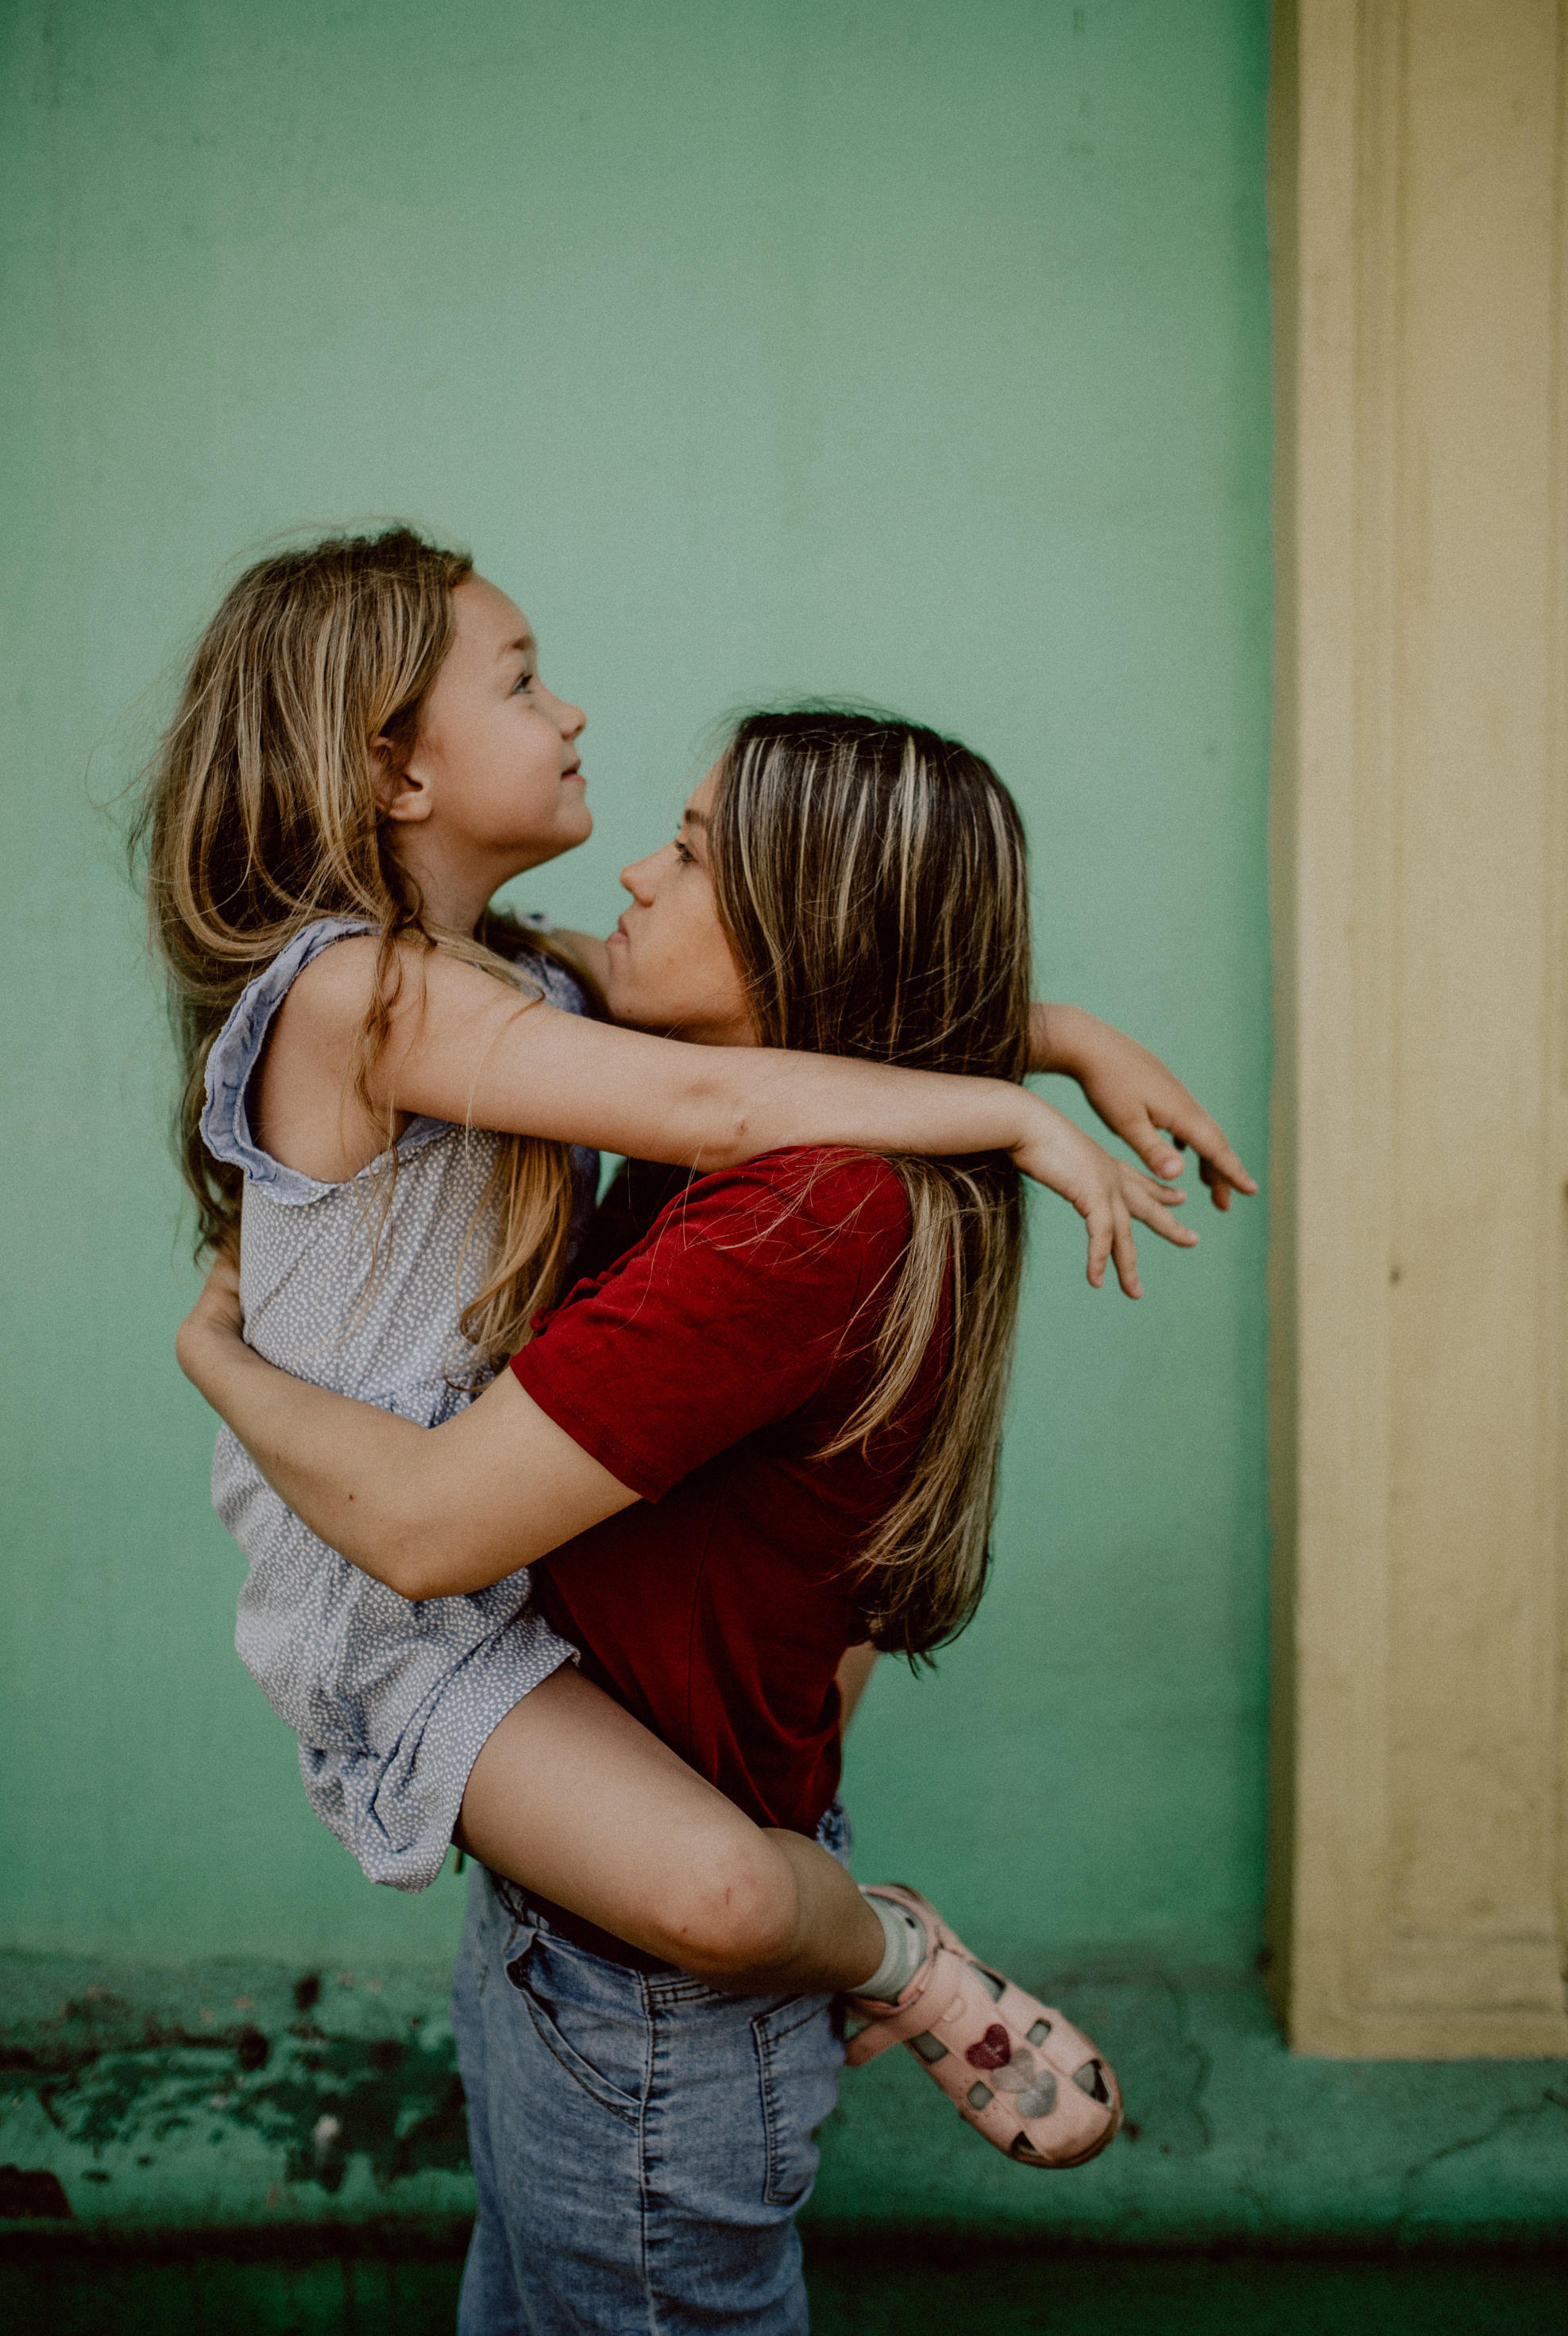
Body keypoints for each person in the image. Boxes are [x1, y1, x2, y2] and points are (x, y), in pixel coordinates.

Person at [176, 697, 1254, 2333]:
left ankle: (884, 1948)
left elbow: (419, 1532)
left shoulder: (801, 1211)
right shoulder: (764, 1113)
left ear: (800, 928)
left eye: (687, 853)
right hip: (576, 1913)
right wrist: (1056, 1033)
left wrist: (217, 1356)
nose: (637, 874)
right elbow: (585, 991)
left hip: (654, 2009)